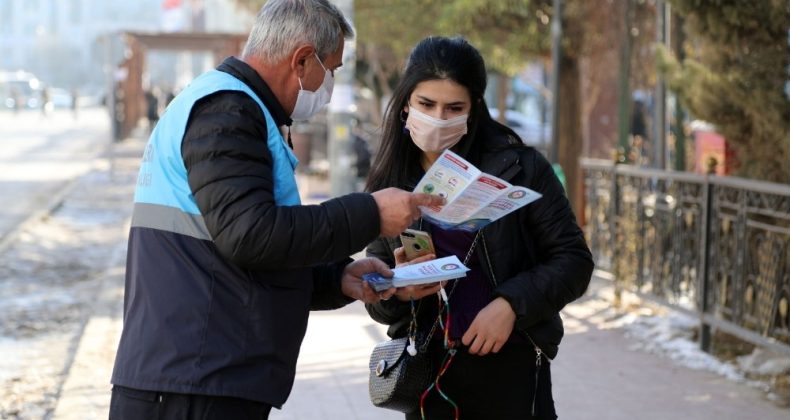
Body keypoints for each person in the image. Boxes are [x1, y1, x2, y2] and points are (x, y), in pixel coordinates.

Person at [109, 1, 443, 419]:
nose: (330, 85)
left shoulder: (236, 108)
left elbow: (251, 247)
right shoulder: (227, 112)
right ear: (302, 60)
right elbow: (251, 235)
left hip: (200, 372)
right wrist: (371, 214)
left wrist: (337, 278)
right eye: (332, 69)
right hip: (191, 382)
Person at [364, 36, 594, 420]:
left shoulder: (520, 168)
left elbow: (574, 260)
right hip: (428, 373)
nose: (439, 118)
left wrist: (511, 304)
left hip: (511, 365)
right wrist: (399, 289)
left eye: (454, 107)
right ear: (406, 104)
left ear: (474, 108)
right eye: (426, 104)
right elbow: (376, 291)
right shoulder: (389, 183)